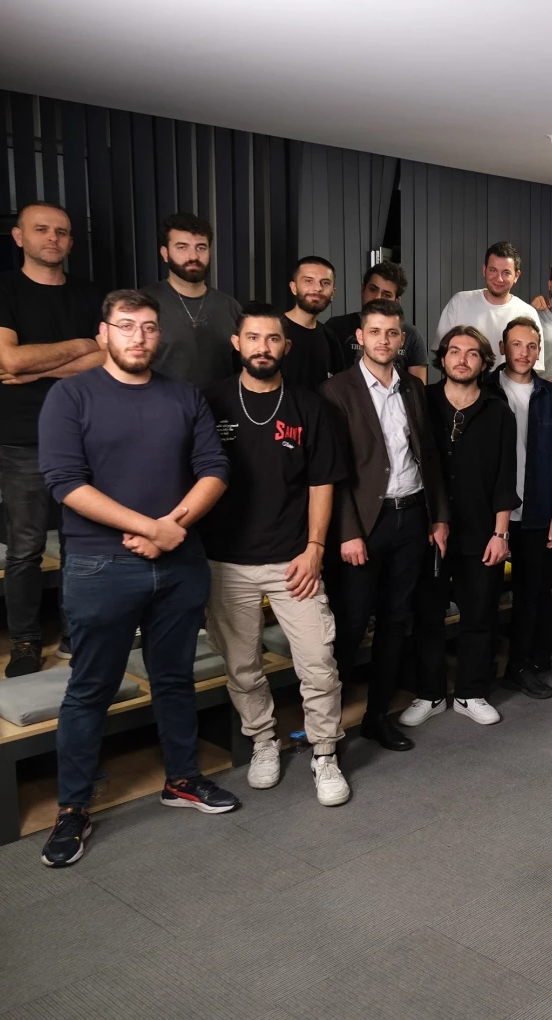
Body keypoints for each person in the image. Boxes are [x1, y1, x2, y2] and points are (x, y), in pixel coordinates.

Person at [36, 289, 235, 867]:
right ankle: (72, 809)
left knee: (174, 678)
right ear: (103, 333)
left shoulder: (184, 396)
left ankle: (182, 779)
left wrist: (173, 528)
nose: (138, 337)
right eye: (126, 326)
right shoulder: (70, 396)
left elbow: (214, 467)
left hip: (179, 564)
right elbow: (65, 482)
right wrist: (151, 528)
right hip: (101, 566)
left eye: (148, 327)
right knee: (90, 689)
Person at [201, 304, 349, 807]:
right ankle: (263, 741)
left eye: (272, 339)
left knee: (319, 663)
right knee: (242, 667)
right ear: (237, 343)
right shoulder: (210, 402)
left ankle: (324, 752)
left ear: (286, 346)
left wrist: (314, 549)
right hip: (226, 562)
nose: (262, 347)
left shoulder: (309, 406)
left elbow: (322, 483)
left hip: (293, 561)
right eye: (253, 338)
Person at [0, 201, 104, 677]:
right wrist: (82, 347)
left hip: (85, 436)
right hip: (20, 438)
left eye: (62, 232)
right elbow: (10, 359)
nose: (53, 238)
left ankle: (76, 634)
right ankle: (25, 641)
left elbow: (108, 358)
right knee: (26, 547)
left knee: (81, 544)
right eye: (42, 229)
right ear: (19, 237)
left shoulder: (92, 295)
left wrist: (36, 368)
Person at [319, 300, 449, 752]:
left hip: (411, 516)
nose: (383, 340)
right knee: (352, 625)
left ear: (401, 339)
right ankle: (326, 727)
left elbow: (428, 455)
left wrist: (438, 516)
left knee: (396, 621)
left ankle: (377, 718)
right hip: (364, 525)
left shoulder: (413, 388)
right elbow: (333, 470)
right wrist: (348, 531)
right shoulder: (336, 390)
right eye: (375, 332)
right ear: (360, 337)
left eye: (392, 333)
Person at [412, 326, 519, 728]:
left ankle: (471, 692)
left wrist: (501, 533)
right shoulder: (422, 403)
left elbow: (506, 477)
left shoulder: (498, 411)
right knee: (427, 615)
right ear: (442, 359)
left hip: (481, 531)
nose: (462, 359)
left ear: (484, 362)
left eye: (472, 353)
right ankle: (429, 693)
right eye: (454, 351)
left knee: (479, 613)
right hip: (428, 530)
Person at [485, 317, 552, 699]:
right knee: (485, 597)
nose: (524, 352)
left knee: (532, 594)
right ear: (503, 348)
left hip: (538, 512)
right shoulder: (485, 390)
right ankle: (481, 674)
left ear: (539, 351)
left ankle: (520, 666)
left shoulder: (551, 395)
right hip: (492, 515)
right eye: (516, 344)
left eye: (532, 345)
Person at [145, 213, 243, 390]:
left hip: (221, 406)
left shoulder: (230, 306)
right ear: (165, 254)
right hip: (161, 405)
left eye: (201, 248)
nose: (193, 256)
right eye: (182, 247)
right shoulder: (143, 304)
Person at [434, 241, 540, 367]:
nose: (499, 278)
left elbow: (534, 366)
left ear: (516, 276)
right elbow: (442, 353)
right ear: (484, 270)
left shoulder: (528, 313)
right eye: (493, 270)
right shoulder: (459, 302)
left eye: (506, 273)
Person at [323, 261, 429, 380]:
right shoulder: (336, 327)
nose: (377, 298)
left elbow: (418, 387)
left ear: (396, 301)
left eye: (386, 295)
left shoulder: (411, 335)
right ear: (363, 289)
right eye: (373, 289)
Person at [281, 256, 344, 391]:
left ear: (333, 293)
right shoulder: (274, 331)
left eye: (325, 283)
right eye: (308, 281)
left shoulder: (330, 337)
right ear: (294, 287)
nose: (317, 288)